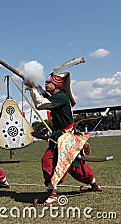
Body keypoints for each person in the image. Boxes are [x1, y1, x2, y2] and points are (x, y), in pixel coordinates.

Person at [25, 72, 102, 206]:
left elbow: (40, 104)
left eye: (48, 83)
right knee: (74, 167)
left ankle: (52, 195)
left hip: (66, 137)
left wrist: (32, 88)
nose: (46, 84)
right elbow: (44, 98)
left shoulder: (60, 96)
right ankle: (93, 183)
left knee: (50, 161)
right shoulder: (57, 96)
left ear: (56, 85)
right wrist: (35, 88)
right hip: (61, 136)